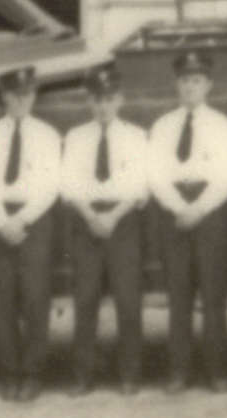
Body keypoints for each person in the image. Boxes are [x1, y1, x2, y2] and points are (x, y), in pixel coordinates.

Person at [0, 62, 69, 397]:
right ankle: (9, 372)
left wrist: (22, 220)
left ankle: (33, 373)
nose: (21, 100)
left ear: (34, 95)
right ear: (3, 96)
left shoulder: (47, 135)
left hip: (33, 221)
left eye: (27, 93)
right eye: (14, 94)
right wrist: (1, 222)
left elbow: (50, 184)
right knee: (2, 300)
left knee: (35, 297)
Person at [148, 47, 227, 390]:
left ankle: (217, 371)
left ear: (208, 85)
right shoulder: (162, 126)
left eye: (196, 80)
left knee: (213, 296)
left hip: (210, 213)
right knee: (179, 297)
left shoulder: (222, 126)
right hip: (174, 212)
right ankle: (179, 372)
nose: (190, 87)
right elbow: (156, 175)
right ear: (176, 85)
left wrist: (199, 209)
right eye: (184, 81)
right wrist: (179, 208)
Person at [60, 67, 157, 394]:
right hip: (87, 221)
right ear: (88, 101)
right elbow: (69, 185)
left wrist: (113, 216)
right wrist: (91, 216)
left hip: (123, 220)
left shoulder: (136, 136)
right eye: (96, 100)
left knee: (127, 301)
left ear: (120, 100)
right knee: (85, 300)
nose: (103, 107)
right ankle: (83, 374)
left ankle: (130, 374)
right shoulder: (75, 137)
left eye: (109, 100)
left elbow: (140, 185)